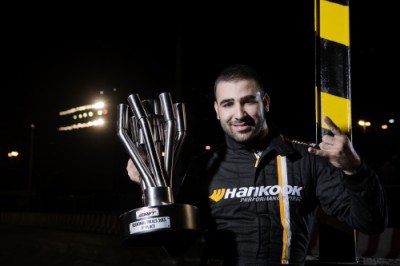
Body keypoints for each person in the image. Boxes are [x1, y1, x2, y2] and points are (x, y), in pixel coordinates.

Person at [126, 64, 388, 265]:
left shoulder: (307, 158)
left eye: (248, 101)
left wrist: (355, 169)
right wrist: (151, 188)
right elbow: (176, 246)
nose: (239, 114)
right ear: (217, 110)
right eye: (228, 104)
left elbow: (370, 223)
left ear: (265, 103)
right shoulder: (203, 167)